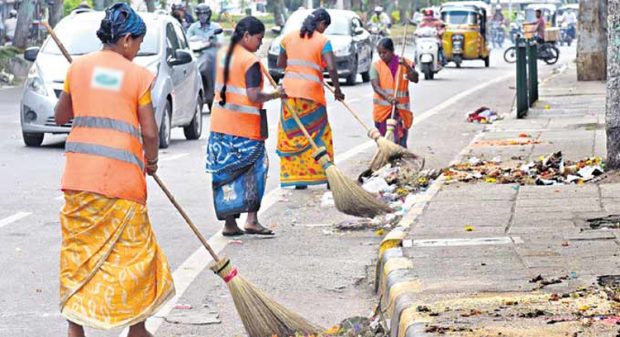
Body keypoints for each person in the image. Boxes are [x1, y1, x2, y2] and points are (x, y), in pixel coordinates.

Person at [53, 3, 174, 337]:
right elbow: (150, 132)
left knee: (80, 256)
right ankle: (137, 328)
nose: (136, 50)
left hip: (79, 182)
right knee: (133, 257)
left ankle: (75, 329)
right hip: (123, 185)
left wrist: (78, 90)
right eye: (136, 43)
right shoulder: (138, 76)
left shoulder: (78, 69)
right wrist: (151, 162)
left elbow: (61, 116)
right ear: (125, 41)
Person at [206, 16, 284, 236]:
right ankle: (251, 220)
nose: (260, 43)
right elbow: (253, 94)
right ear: (247, 35)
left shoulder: (223, 54)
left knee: (224, 174)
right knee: (255, 172)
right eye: (259, 38)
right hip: (244, 129)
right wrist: (276, 94)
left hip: (220, 126)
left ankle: (229, 223)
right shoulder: (250, 62)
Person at [276, 8, 344, 189]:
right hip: (312, 96)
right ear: (321, 23)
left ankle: (299, 179)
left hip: (289, 94)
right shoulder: (323, 41)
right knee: (320, 133)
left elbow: (280, 63)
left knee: (294, 135)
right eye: (325, 26)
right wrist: (337, 89)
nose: (324, 31)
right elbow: (331, 67)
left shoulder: (288, 38)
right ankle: (328, 175)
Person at [370, 38, 418, 148]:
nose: (382, 56)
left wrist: (406, 66)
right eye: (380, 53)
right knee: (384, 143)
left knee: (400, 142)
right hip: (382, 113)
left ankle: (400, 162)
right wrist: (388, 98)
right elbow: (375, 87)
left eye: (385, 52)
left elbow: (415, 78)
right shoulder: (376, 66)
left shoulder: (405, 63)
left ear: (392, 51)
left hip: (400, 111)